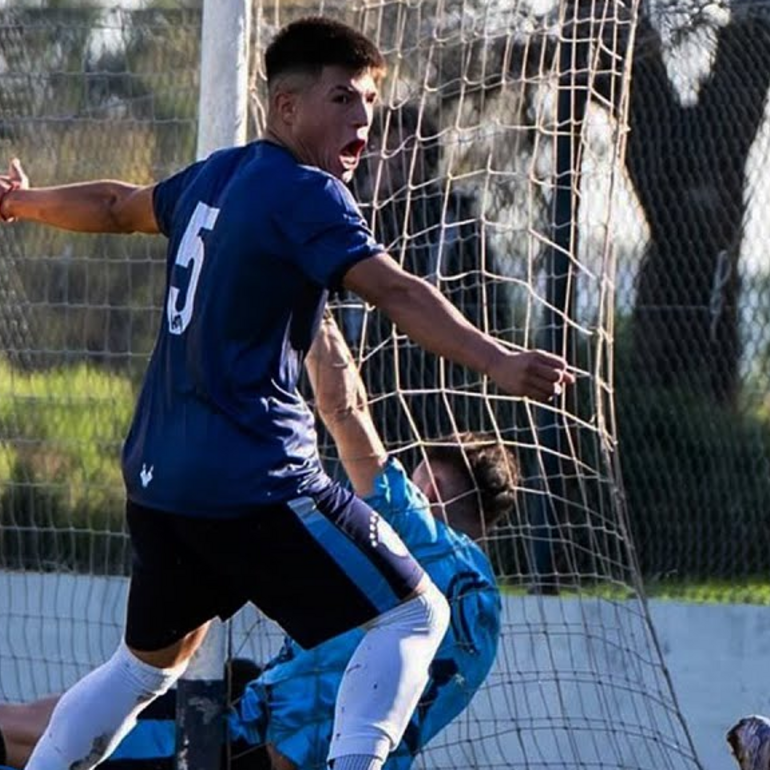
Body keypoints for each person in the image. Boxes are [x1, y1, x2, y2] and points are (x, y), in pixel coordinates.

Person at [0, 16, 572, 770]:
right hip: (254, 482)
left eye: (369, 99)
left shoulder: (213, 176)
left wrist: (21, 202)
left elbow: (113, 207)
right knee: (413, 615)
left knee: (141, 670)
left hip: (159, 482)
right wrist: (496, 359)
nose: (362, 118)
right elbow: (395, 290)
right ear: (287, 107)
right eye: (342, 97)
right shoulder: (307, 192)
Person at [0, 313, 512, 770]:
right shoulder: (486, 616)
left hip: (253, 744)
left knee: (41, 733)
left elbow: (343, 407)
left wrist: (308, 301)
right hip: (338, 751)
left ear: (435, 488)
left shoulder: (412, 523)